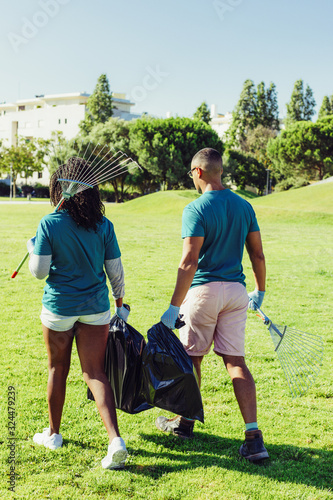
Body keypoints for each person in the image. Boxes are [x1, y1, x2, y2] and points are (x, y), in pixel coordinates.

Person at [157, 148, 269, 463]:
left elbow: (189, 261)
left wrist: (172, 305)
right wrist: (259, 291)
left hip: (203, 293)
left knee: (192, 359)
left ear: (198, 172)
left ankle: (184, 423)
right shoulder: (244, 206)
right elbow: (257, 255)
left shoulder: (195, 208)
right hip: (236, 292)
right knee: (236, 363)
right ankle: (253, 438)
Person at [27, 157, 129, 470]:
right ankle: (115, 441)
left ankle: (53, 434)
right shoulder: (104, 225)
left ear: (60, 190)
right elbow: (115, 271)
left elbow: (39, 272)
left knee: (58, 368)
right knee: (95, 372)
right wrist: (120, 303)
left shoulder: (49, 223)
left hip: (59, 309)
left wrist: (33, 247)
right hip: (96, 309)